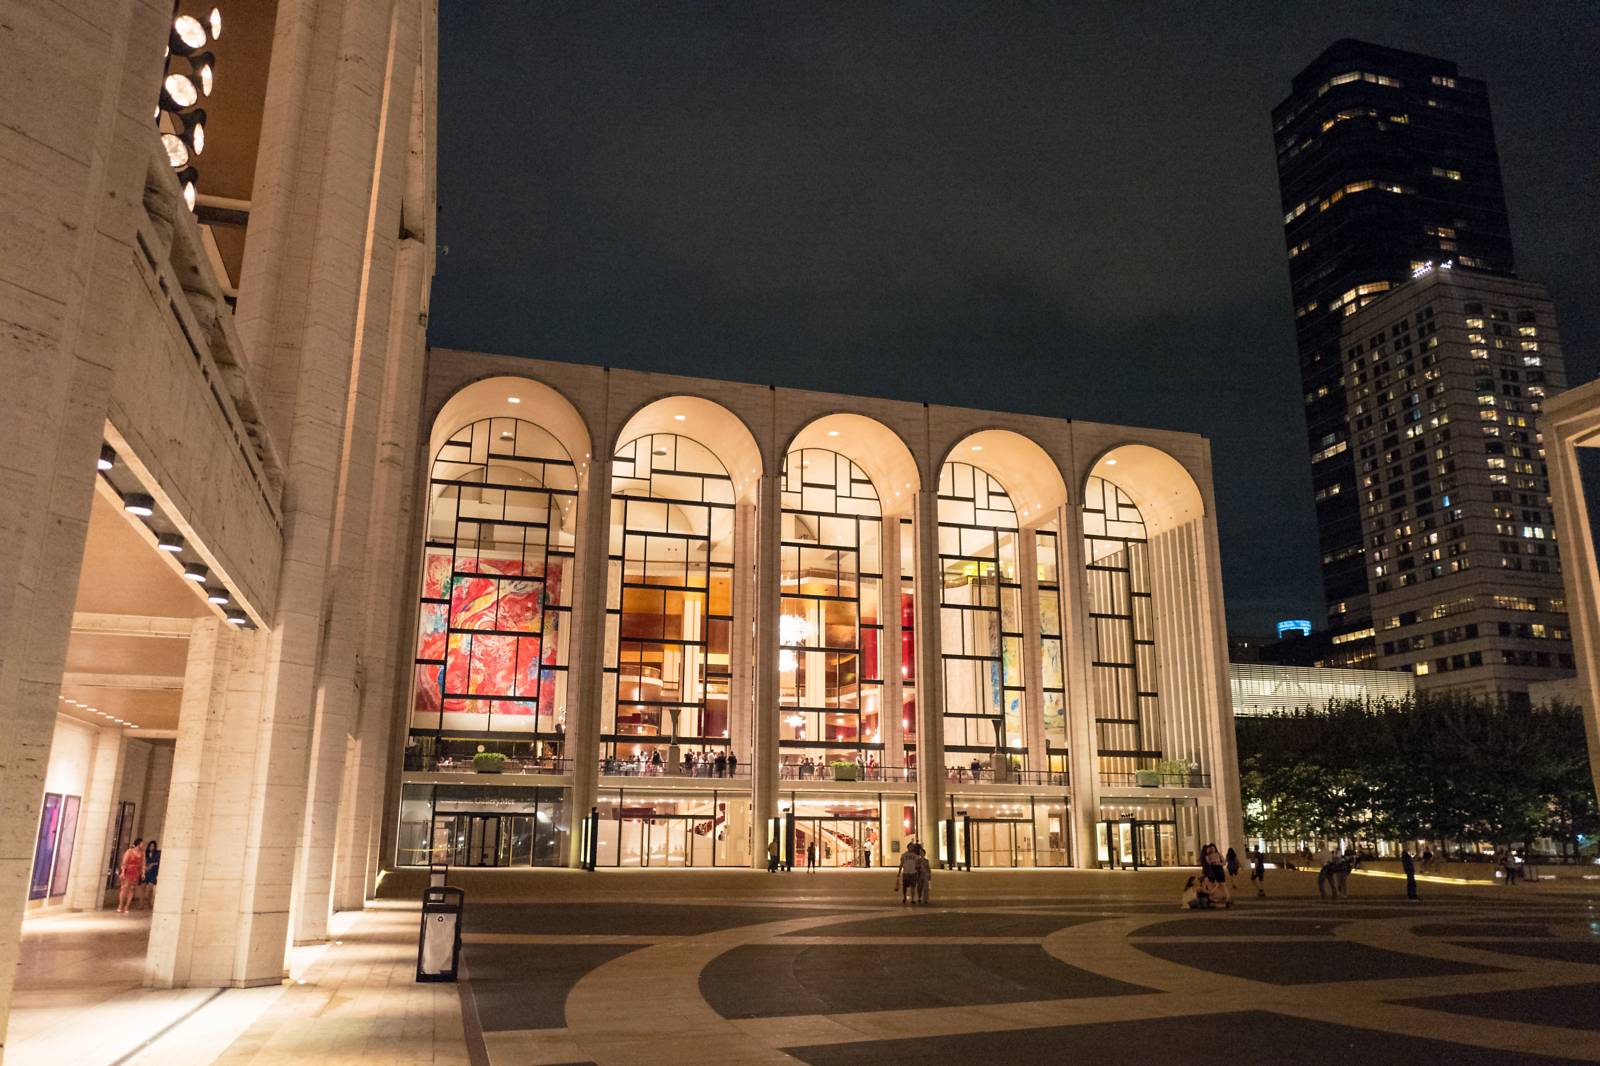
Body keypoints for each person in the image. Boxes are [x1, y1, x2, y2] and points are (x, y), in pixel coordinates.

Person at [116, 838, 145, 913]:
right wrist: (123, 872)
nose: (143, 845)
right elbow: (124, 862)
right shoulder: (129, 851)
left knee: (132, 889)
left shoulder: (142, 853)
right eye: (142, 843)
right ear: (138, 844)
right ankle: (120, 905)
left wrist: (143, 873)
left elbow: (143, 864)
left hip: (135, 872)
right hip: (128, 871)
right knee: (124, 888)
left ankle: (127, 906)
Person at [141, 839, 161, 907]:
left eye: (153, 846)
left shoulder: (158, 853)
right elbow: (142, 862)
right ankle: (141, 904)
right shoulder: (145, 853)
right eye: (150, 846)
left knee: (150, 889)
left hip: (153, 873)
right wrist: (145, 867)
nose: (151, 847)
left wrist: (152, 864)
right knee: (142, 888)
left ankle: (149, 902)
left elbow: (159, 862)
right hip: (145, 872)